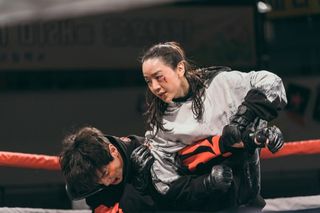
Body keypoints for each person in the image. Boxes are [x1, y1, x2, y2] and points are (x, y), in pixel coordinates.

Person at [140, 41, 287, 211]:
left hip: (245, 200)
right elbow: (165, 184)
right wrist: (206, 183)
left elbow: (272, 83)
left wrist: (244, 119)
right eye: (148, 81)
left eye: (159, 77)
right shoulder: (162, 125)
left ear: (180, 69)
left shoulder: (219, 84)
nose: (155, 87)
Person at [59, 125, 283, 212]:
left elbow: (201, 151)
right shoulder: (95, 184)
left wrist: (252, 139)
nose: (107, 182)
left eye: (107, 173)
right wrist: (138, 190)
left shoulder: (154, 148)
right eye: (101, 181)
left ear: (113, 151)